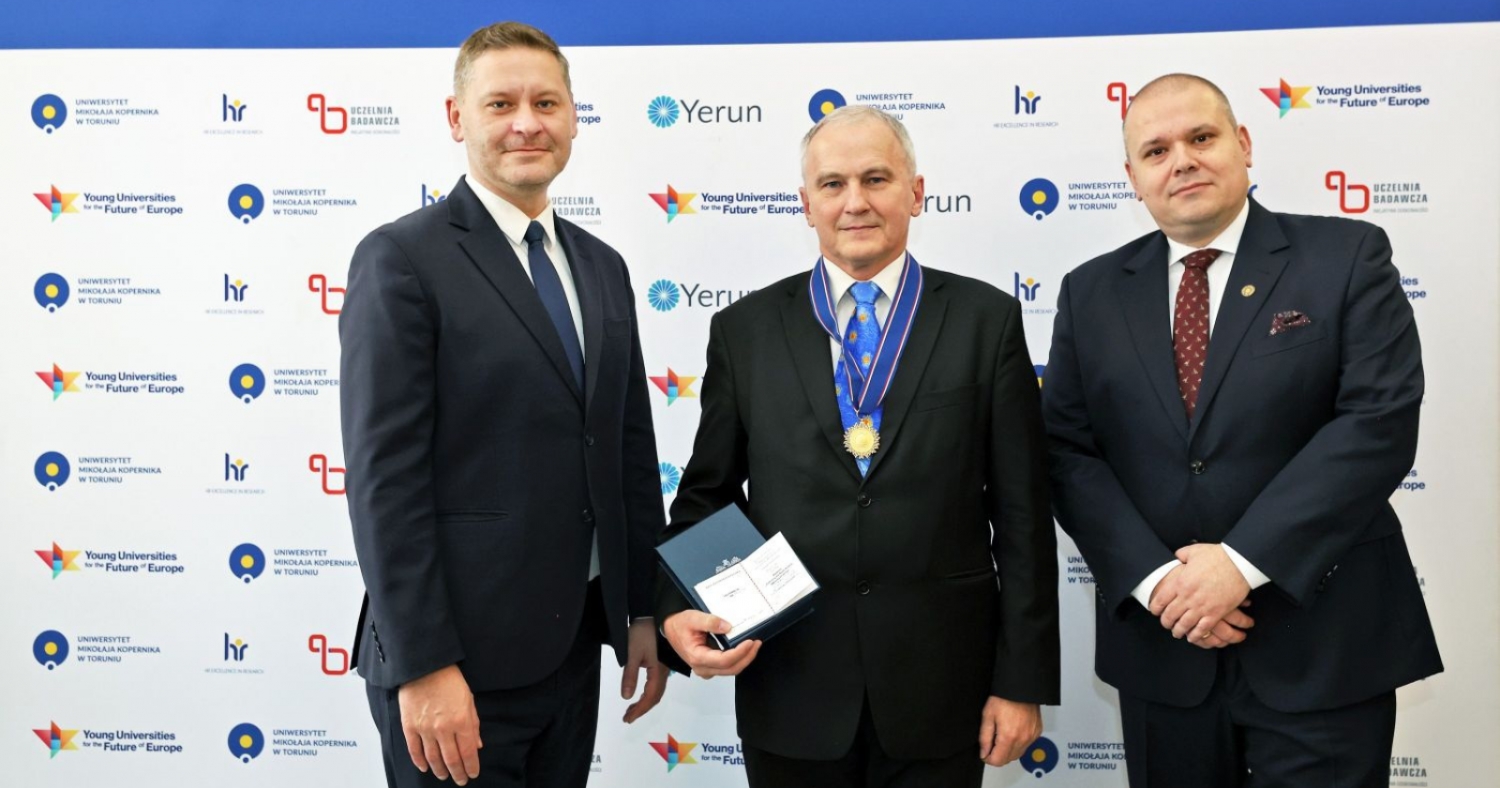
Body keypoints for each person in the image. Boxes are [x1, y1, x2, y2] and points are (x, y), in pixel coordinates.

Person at [1042, 73, 1442, 787]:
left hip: (1325, 644)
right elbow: (1068, 452)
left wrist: (1240, 563)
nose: (1182, 161)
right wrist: (1158, 582)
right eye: (1156, 150)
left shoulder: (1346, 256)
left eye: (1201, 137)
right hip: (1165, 647)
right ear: (1132, 178)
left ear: (1244, 144)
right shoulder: (1090, 292)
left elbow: (1377, 421)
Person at [657, 105, 1060, 788]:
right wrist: (676, 611)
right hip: (791, 684)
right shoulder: (744, 331)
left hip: (943, 688)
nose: (855, 202)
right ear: (805, 203)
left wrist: (1021, 682)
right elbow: (706, 498)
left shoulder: (985, 321)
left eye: (876, 179)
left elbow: (1021, 516)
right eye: (833, 184)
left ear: (916, 192)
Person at [339, 21, 668, 788]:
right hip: (454, 668)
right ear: (457, 119)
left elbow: (626, 450)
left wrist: (642, 610)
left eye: (546, 103)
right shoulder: (401, 260)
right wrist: (423, 664)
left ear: (573, 117)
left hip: (571, 654)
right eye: (501, 104)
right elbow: (385, 481)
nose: (527, 123)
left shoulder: (604, 267)